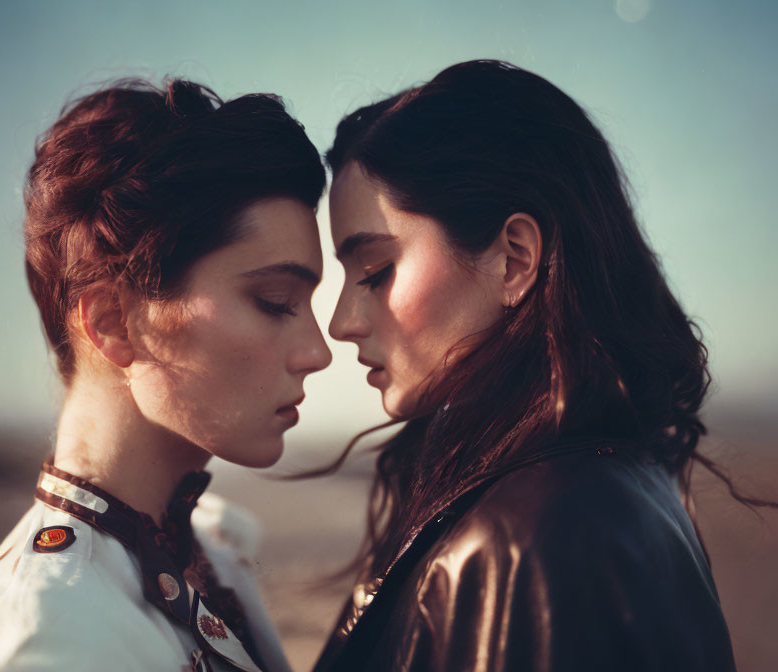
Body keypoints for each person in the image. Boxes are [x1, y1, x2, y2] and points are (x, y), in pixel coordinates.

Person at [313, 60, 738, 671]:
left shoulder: (523, 542)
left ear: (513, 259)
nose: (340, 323)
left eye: (375, 272)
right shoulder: (624, 475)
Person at [0, 78, 331, 672]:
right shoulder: (41, 642)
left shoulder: (211, 555)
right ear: (115, 322)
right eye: (273, 300)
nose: (318, 352)